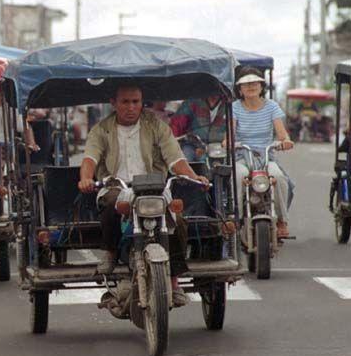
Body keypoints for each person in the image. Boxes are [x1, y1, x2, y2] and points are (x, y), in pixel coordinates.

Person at [77, 85, 209, 307]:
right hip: (116, 186)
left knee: (176, 220)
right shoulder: (101, 130)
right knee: (111, 204)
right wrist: (86, 178)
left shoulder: (157, 126)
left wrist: (195, 177)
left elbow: (175, 159)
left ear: (142, 102)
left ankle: (174, 282)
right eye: (125, 102)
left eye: (136, 102)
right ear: (114, 103)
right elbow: (90, 158)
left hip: (154, 187)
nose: (131, 107)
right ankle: (110, 251)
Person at [232, 68, 294, 238]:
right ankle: (234, 219)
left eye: (254, 83)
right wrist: (228, 142)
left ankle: (282, 220)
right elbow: (228, 134)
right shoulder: (235, 107)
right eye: (246, 84)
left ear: (261, 86)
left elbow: (282, 134)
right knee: (238, 175)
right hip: (242, 157)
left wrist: (285, 141)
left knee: (278, 177)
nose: (251, 86)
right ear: (239, 89)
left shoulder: (271, 106)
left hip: (266, 157)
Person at [170, 96, 226, 161]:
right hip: (192, 144)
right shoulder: (192, 101)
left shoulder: (229, 104)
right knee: (184, 160)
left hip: (217, 147)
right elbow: (177, 124)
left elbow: (233, 130)